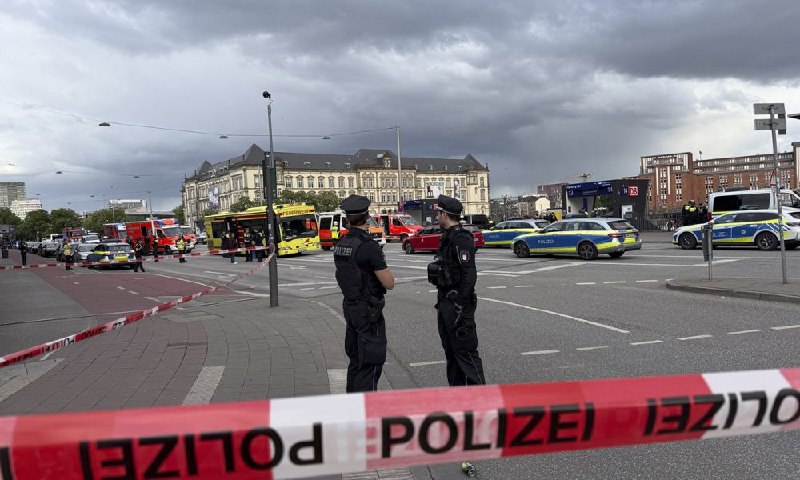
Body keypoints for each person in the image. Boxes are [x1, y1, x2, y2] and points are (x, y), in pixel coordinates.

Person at [334, 195, 395, 392]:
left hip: (350, 306)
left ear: (348, 218)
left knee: (356, 360)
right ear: (367, 216)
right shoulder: (368, 246)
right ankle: (365, 405)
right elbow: (389, 283)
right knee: (370, 362)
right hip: (368, 311)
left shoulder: (342, 243)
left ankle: (352, 403)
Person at [428, 194, 486, 387]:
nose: (436, 216)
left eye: (438, 213)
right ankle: (458, 396)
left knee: (466, 353)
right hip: (446, 301)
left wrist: (460, 304)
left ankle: (480, 398)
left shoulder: (461, 238)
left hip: (457, 306)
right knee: (451, 353)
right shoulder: (448, 236)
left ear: (444, 214)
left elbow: (469, 274)